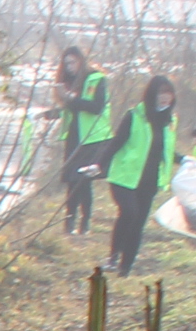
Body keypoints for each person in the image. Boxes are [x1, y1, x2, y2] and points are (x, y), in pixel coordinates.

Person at [104, 76, 180, 276]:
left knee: (138, 224)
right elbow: (116, 141)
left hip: (149, 182)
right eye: (161, 92)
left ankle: (125, 268)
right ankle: (113, 257)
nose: (165, 97)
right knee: (129, 212)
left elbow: (166, 150)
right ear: (152, 94)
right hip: (125, 178)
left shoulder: (170, 121)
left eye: (168, 93)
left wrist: (185, 159)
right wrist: (98, 163)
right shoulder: (135, 116)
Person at [60, 48, 116, 237]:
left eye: (73, 62)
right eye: (66, 64)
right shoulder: (69, 83)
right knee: (71, 181)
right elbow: (72, 111)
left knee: (83, 180)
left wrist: (72, 99)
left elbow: (95, 107)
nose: (70, 67)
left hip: (92, 138)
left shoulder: (96, 78)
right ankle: (69, 224)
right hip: (74, 136)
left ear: (82, 61)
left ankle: (84, 224)